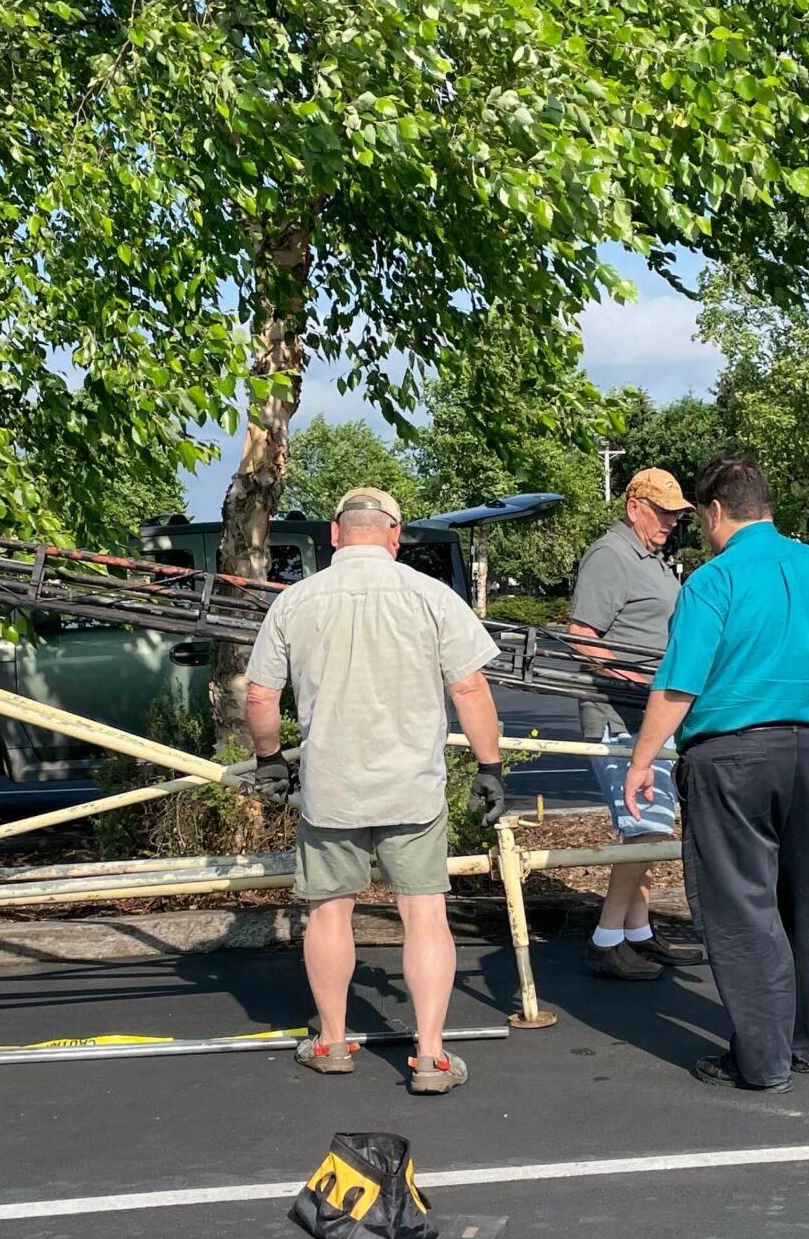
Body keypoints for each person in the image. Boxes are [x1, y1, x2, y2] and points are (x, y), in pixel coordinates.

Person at [622, 454, 809, 1093]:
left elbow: (680, 685)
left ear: (714, 510)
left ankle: (761, 1060)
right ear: (767, 505)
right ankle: (803, 1043)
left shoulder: (713, 582)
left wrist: (642, 759)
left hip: (733, 755)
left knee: (743, 904)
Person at [244, 486, 505, 1096]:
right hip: (411, 789)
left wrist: (269, 760)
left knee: (329, 912)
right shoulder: (431, 597)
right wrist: (489, 767)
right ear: (395, 535)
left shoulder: (295, 603)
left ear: (334, 535)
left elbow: (259, 696)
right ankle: (431, 1056)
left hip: (332, 789)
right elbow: (469, 690)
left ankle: (333, 1041)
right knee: (424, 915)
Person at [567, 467, 690, 981]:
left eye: (676, 515)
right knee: (646, 826)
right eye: (661, 512)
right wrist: (637, 682)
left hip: (650, 717)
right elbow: (581, 634)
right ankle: (606, 939)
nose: (669, 522)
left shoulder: (653, 559)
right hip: (621, 715)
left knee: (648, 825)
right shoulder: (611, 554)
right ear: (634, 506)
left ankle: (637, 932)